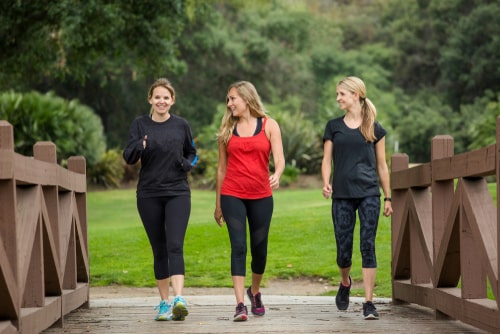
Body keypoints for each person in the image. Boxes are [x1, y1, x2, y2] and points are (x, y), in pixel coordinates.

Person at [123, 78, 198, 321]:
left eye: (166, 97)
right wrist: (140, 145)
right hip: (149, 194)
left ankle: (179, 299)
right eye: (157, 97)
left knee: (175, 245)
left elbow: (192, 152)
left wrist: (186, 164)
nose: (162, 101)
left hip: (177, 192)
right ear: (150, 100)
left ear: (172, 100)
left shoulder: (181, 125)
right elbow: (128, 156)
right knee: (159, 249)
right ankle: (164, 304)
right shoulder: (140, 125)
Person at [321, 76, 393, 320]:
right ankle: (345, 282)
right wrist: (326, 182)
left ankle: (369, 302)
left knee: (367, 245)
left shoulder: (374, 128)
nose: (338, 98)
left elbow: (382, 166)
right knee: (344, 251)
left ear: (355, 95)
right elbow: (326, 159)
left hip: (369, 194)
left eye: (341, 93)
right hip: (341, 195)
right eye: (338, 94)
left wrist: (388, 197)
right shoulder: (333, 126)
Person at [214, 81, 285, 322]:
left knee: (259, 250)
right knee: (238, 247)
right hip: (232, 194)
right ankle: (239, 305)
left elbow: (280, 158)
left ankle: (254, 292)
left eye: (233, 98)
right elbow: (221, 169)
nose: (229, 103)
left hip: (261, 195)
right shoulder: (226, 128)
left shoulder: (269, 125)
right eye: (228, 99)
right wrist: (218, 204)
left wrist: (277, 174)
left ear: (246, 98)